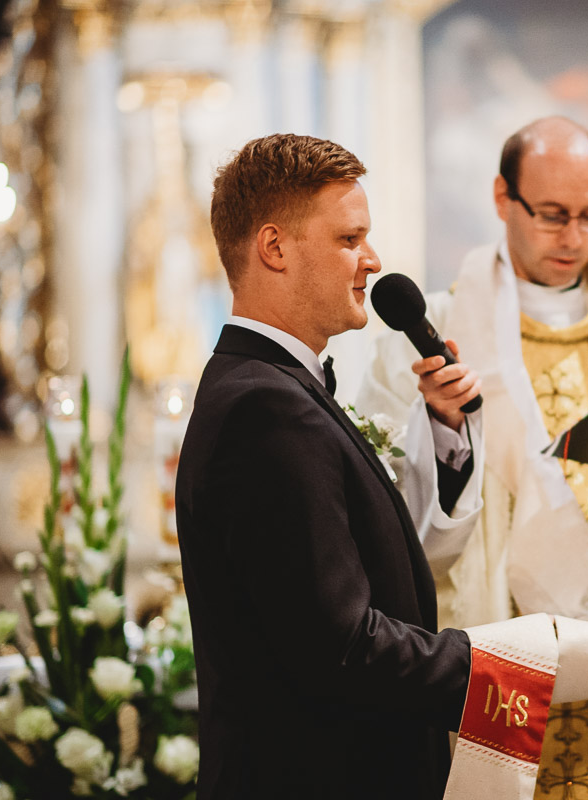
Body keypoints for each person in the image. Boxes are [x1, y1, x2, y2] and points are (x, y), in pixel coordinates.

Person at [358, 116, 588, 800]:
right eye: (553, 215)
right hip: (498, 654)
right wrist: (440, 428)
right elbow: (386, 522)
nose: (574, 237)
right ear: (502, 198)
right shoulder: (424, 339)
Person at [175, 134, 483, 799]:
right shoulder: (264, 407)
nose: (371, 260)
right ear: (275, 248)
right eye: (350, 239)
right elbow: (341, 649)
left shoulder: (271, 386)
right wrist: (499, 669)